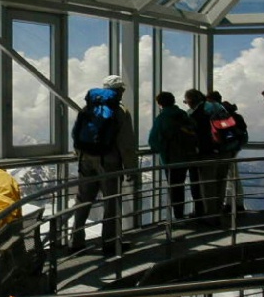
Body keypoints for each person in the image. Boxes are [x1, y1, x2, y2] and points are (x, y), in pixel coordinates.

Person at [70, 75, 137, 255]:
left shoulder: (88, 107)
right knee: (111, 202)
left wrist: (80, 155)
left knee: (83, 201)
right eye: (122, 89)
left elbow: (76, 133)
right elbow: (126, 143)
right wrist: (131, 168)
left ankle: (75, 242)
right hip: (109, 162)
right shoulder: (120, 111)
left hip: (86, 159)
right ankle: (110, 243)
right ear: (119, 91)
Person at [148, 91, 196, 220]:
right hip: (186, 156)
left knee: (174, 187)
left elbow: (153, 140)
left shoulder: (162, 118)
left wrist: (160, 148)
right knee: (180, 185)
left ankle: (178, 216)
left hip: (170, 158)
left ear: (160, 104)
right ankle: (182, 214)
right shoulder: (183, 114)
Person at [184, 89, 229, 224]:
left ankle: (210, 216)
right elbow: (228, 127)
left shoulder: (196, 114)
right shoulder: (218, 108)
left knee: (208, 186)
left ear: (191, 100)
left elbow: (196, 135)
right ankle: (218, 212)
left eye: (186, 101)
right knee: (220, 183)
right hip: (224, 152)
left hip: (207, 153)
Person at [206, 91, 248, 212]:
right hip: (233, 148)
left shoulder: (217, 113)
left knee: (225, 177)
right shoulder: (231, 114)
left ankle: (229, 203)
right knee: (232, 175)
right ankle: (236, 203)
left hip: (222, 150)